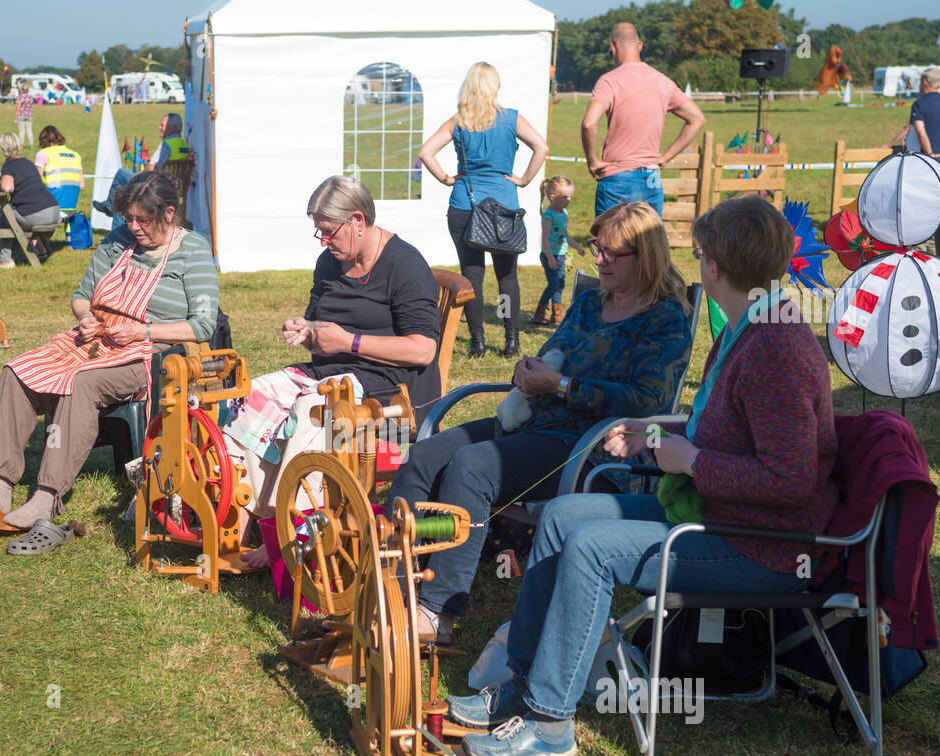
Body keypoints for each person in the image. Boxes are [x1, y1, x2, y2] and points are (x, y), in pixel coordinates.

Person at [447, 195, 838, 756]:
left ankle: (550, 724)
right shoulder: (748, 328)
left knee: (592, 548)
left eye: (701, 253)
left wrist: (691, 460)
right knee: (561, 518)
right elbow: (720, 425)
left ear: (716, 266)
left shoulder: (775, 346)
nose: (698, 262)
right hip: (719, 516)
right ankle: (521, 687)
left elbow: (792, 479)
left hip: (759, 543)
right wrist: (652, 429)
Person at [387, 202, 692, 646]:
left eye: (611, 253)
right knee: (425, 454)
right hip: (533, 423)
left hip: (590, 447)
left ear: (644, 257)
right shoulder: (590, 302)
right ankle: (394, 583)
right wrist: (527, 372)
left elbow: (648, 401)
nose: (599, 259)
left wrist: (564, 385)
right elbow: (553, 352)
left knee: (472, 467)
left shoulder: (664, 317)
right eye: (596, 248)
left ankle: (437, 612)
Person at [0, 173, 218, 553]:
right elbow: (82, 295)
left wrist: (144, 332)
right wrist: (86, 317)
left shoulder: (193, 250)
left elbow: (203, 324)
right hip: (93, 339)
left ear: (170, 213)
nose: (133, 227)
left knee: (81, 382)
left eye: (143, 220)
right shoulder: (118, 240)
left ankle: (47, 494)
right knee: (18, 370)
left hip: (149, 354)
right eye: (129, 218)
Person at [227, 175, 441, 568]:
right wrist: (306, 331)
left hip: (394, 405)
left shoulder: (405, 265)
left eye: (328, 231)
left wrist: (349, 343)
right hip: (332, 374)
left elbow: (424, 349)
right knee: (248, 397)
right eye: (318, 232)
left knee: (312, 412)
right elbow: (321, 323)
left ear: (358, 220)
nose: (323, 241)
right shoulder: (331, 261)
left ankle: (295, 535)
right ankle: (262, 516)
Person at [419, 62, 549, 358]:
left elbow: (425, 152)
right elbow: (540, 147)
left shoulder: (458, 122)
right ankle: (511, 339)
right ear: (495, 87)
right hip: (504, 206)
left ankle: (476, 341)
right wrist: (524, 180)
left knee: (471, 275)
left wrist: (447, 178)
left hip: (466, 204)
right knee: (507, 277)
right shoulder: (512, 119)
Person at [581, 22, 706, 218]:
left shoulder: (609, 81)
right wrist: (665, 157)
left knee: (610, 245)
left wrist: (592, 161)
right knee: (648, 245)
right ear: (640, 45)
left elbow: (589, 123)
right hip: (651, 178)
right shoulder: (663, 81)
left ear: (613, 47)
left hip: (617, 177)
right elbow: (697, 119)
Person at [0, 132, 59, 267]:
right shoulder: (29, 163)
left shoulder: (9, 165)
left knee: (5, 214)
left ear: (2, 149)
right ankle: (22, 255)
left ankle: (5, 260)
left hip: (37, 215)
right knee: (15, 216)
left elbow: (6, 188)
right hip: (53, 211)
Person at [531, 175, 585, 326]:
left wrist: (578, 247)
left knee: (559, 284)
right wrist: (550, 258)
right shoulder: (549, 215)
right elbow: (545, 239)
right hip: (550, 255)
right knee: (554, 283)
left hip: (560, 255)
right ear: (553, 197)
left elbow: (564, 234)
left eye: (569, 197)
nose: (569, 200)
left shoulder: (564, 213)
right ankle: (539, 313)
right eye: (565, 197)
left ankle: (557, 315)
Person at [904, 68, 940, 155]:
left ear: (924, 82)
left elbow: (921, 132)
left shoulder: (919, 104)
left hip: (920, 156)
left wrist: (930, 154)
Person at [33, 125, 85, 208]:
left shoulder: (43, 153)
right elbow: (82, 185)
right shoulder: (76, 155)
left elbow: (36, 184)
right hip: (70, 206)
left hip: (51, 206)